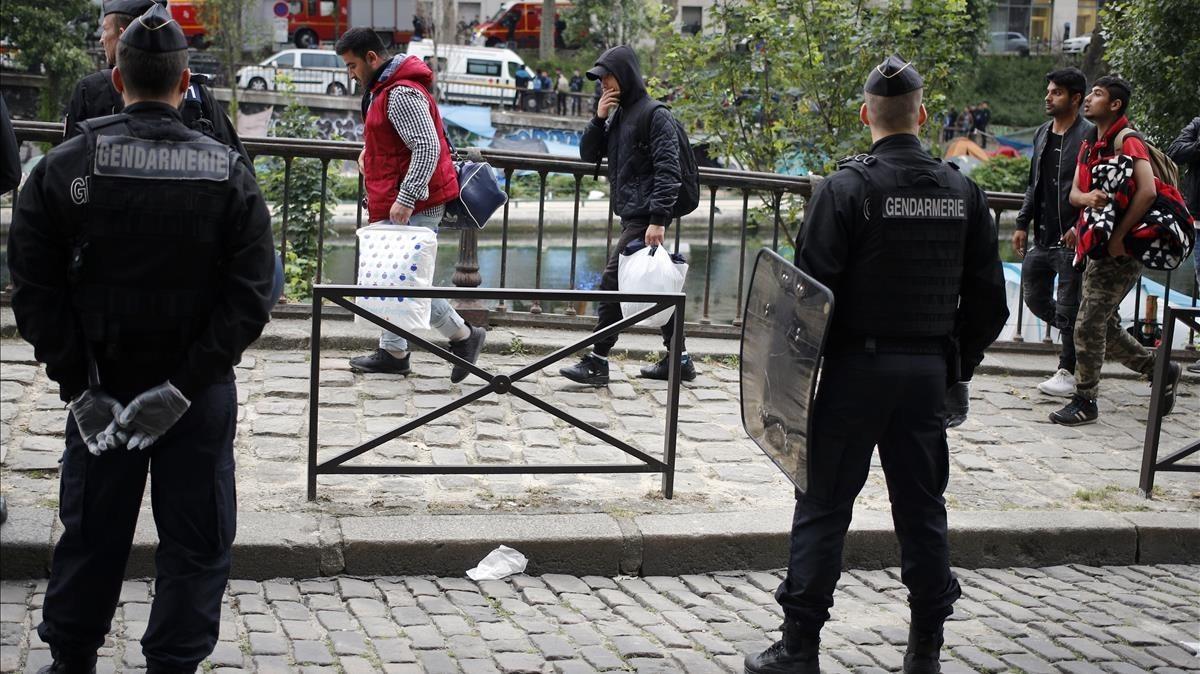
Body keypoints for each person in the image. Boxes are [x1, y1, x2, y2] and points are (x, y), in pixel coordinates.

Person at [8, 5, 275, 672]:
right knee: (196, 542)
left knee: (93, 534)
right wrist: (184, 389)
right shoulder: (226, 171)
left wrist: (80, 387)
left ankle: (71, 659)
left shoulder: (64, 169)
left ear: (118, 77)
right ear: (186, 83)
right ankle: (173, 664)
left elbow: (33, 291)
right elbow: (251, 295)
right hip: (197, 390)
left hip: (104, 381)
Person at [743, 55, 1008, 674]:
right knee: (922, 511)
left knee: (825, 507)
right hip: (924, 379)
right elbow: (991, 305)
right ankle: (925, 651)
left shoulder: (846, 189)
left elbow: (805, 300)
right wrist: (953, 365)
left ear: (867, 115)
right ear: (922, 115)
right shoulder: (962, 191)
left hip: (852, 376)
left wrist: (796, 382)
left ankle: (800, 649)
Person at [335, 28, 486, 382]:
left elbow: (427, 147)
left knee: (401, 283)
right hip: (404, 199)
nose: (350, 73)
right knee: (395, 280)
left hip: (413, 202)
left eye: (353, 65)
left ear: (372, 58)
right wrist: (369, 154)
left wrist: (405, 198)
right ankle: (393, 351)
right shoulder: (386, 89)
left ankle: (464, 336)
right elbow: (399, 142)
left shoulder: (400, 92)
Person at [1050, 77, 1185, 425]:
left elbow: (1147, 191)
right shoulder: (1090, 143)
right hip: (1099, 245)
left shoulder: (1128, 140)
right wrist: (1088, 201)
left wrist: (1119, 237)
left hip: (1123, 248)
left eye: (1097, 95)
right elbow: (1075, 193)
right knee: (1103, 325)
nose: (1089, 100)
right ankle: (1158, 368)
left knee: (1089, 322)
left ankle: (1085, 400)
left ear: (1115, 105)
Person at [560, 45, 696, 386]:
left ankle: (597, 360)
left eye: (608, 76)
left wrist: (658, 219)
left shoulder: (655, 114)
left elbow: (669, 170)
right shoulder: (618, 114)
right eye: (600, 78)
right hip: (634, 214)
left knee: (613, 283)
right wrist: (598, 118)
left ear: (625, 75)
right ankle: (679, 360)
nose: (603, 83)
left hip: (645, 216)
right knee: (655, 285)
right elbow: (588, 154)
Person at [65, 0, 248, 163]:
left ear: (118, 80)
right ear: (183, 81)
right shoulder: (196, 94)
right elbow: (242, 168)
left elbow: (69, 171)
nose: (101, 40)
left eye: (105, 29)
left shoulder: (89, 90)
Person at [1013, 68, 1093, 397]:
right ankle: (1084, 339)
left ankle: (1068, 368)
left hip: (1073, 239)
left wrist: (1080, 224)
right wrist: (1021, 222)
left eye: (1056, 92)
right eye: (1049, 91)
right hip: (1043, 237)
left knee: (1069, 307)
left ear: (1075, 98)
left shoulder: (1090, 136)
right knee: (1034, 297)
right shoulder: (1043, 133)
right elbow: (1035, 183)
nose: (1048, 97)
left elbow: (1099, 189)